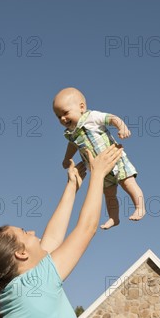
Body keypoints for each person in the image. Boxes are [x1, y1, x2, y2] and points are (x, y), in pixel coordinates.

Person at [0, 145, 123, 318]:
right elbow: (86, 229)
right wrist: (98, 174)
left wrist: (72, 186)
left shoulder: (15, 291)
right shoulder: (37, 284)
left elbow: (51, 239)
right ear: (21, 254)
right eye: (25, 232)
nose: (32, 231)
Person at [52, 87, 146, 229]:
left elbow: (111, 118)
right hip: (99, 170)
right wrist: (67, 158)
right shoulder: (71, 134)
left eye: (65, 113)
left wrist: (122, 127)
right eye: (59, 117)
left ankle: (140, 207)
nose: (63, 118)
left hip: (115, 160)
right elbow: (72, 146)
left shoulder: (92, 117)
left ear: (81, 107)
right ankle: (114, 218)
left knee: (129, 184)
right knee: (109, 195)